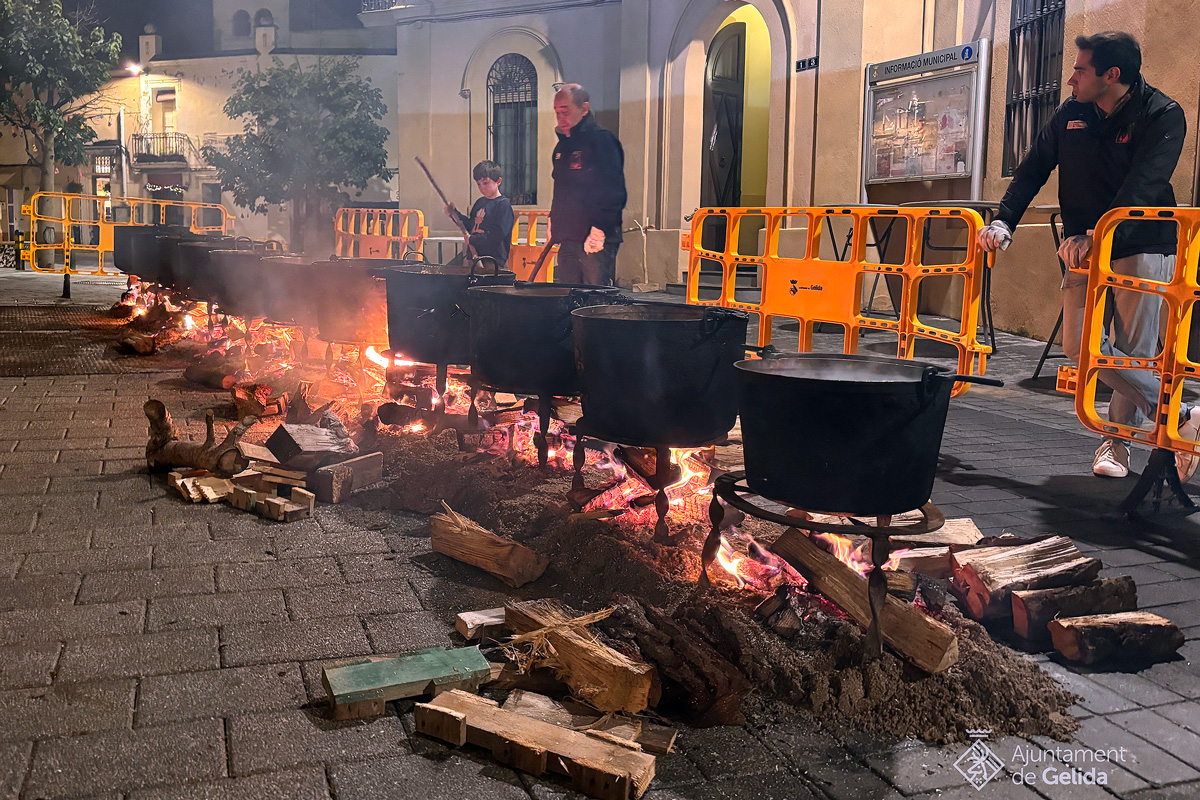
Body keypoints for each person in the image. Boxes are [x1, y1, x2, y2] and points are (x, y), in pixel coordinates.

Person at [977, 31, 1194, 481]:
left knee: (1133, 352)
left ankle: (1117, 444)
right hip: (1083, 248)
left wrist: (1101, 235)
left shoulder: (1162, 113)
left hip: (1142, 245)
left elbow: (1144, 187)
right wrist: (1004, 221)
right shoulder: (1070, 113)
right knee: (1079, 347)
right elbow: (1033, 168)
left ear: (1110, 75)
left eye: (1080, 70)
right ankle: (1182, 416)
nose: (1071, 79)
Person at [549, 84, 627, 286]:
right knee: (567, 293)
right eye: (557, 112)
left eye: (565, 111)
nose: (560, 118)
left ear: (584, 109)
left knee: (593, 293)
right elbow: (562, 191)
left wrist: (600, 228)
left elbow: (613, 190)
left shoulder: (601, 141)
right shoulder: (562, 147)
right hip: (568, 236)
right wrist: (554, 222)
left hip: (594, 236)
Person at [444, 160, 515, 270]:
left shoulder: (503, 206)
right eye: (478, 184)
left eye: (485, 183)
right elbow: (470, 225)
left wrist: (473, 240)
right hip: (472, 258)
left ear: (498, 181)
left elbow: (496, 235)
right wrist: (454, 213)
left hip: (492, 261)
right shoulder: (480, 203)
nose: (482, 187)